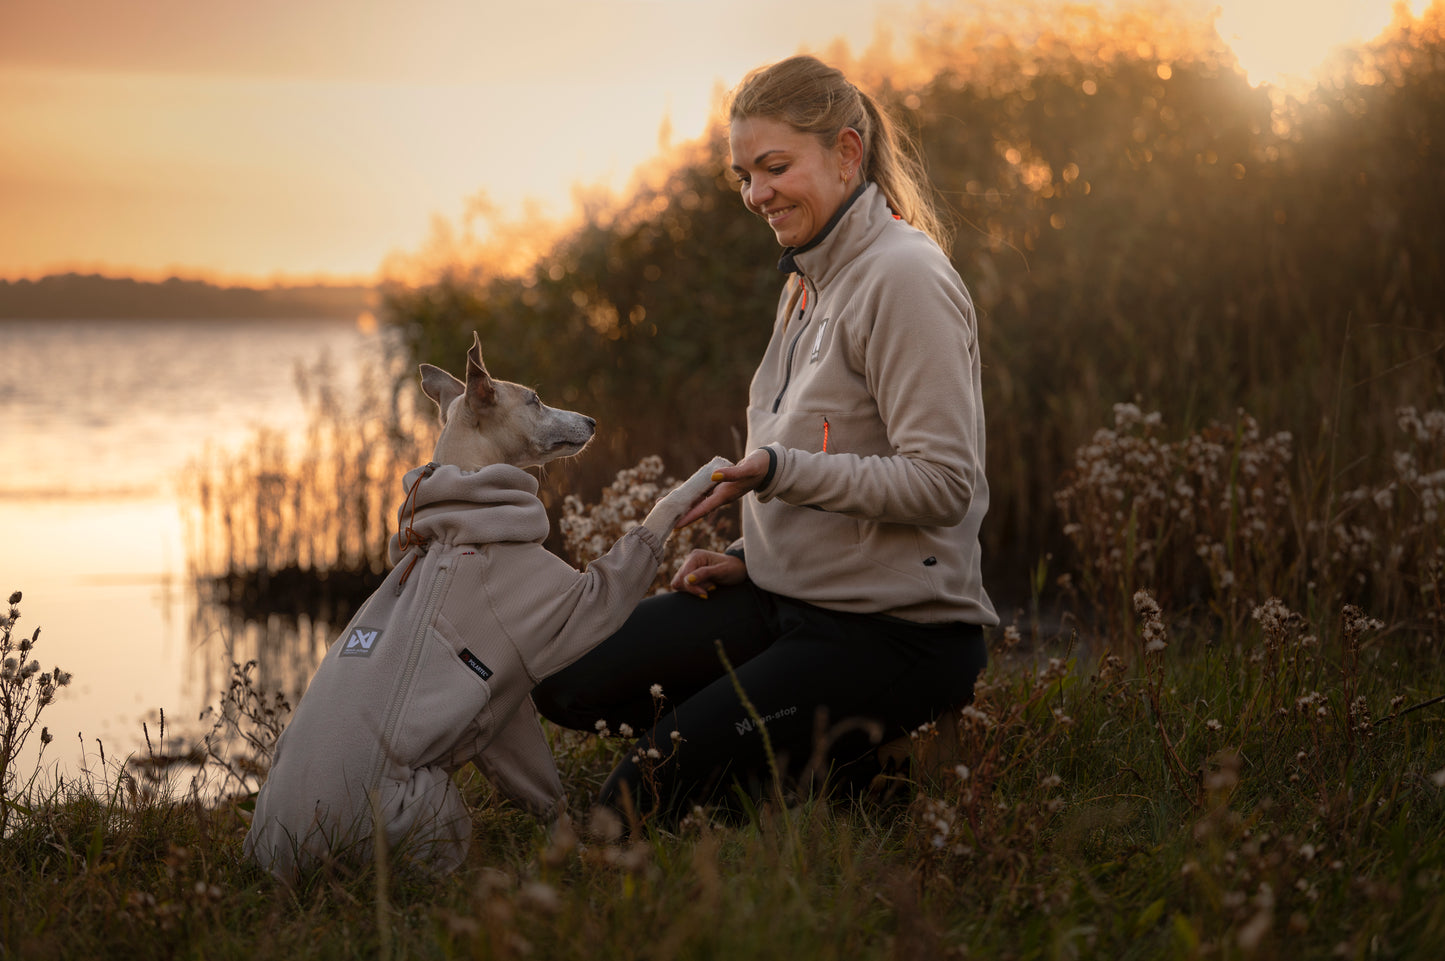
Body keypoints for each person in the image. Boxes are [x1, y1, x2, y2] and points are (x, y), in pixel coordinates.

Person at [533, 54, 998, 822]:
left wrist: (781, 469)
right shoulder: (803, 282)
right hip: (786, 602)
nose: (755, 194)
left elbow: (942, 483)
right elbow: (840, 443)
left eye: (773, 167)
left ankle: (861, 768)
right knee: (562, 672)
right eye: (743, 175)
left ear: (847, 153)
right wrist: (752, 559)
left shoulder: (904, 278)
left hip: (895, 635)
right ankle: (823, 757)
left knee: (629, 805)